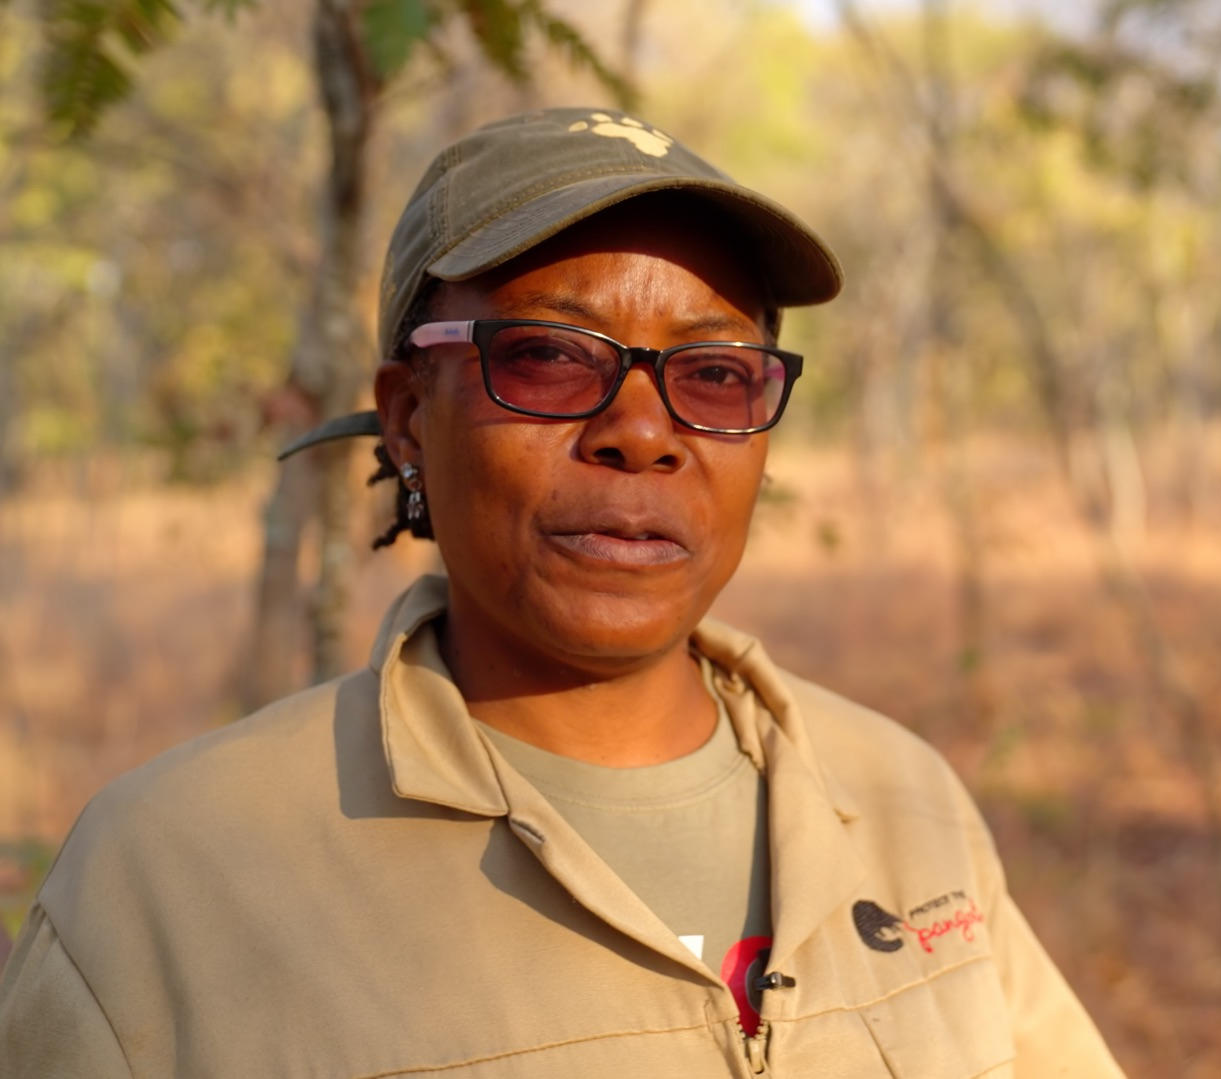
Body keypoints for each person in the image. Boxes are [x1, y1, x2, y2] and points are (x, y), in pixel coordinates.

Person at [0, 107, 1124, 1077]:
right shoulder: (175, 878)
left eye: (715, 372)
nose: (642, 433)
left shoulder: (900, 800)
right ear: (406, 419)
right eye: (547, 355)